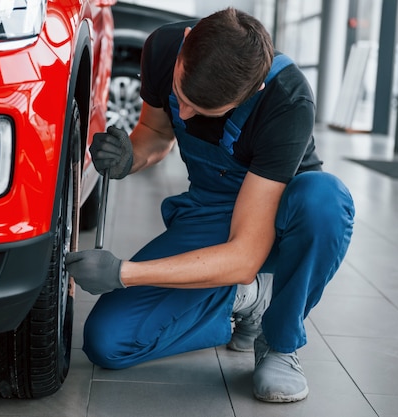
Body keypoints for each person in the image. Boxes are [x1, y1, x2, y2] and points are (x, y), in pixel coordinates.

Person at [66, 7, 355, 403]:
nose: (184, 112)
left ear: (251, 93)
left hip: (284, 219)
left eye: (201, 110)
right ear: (186, 44)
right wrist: (129, 157)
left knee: (325, 200)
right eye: (181, 96)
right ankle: (246, 298)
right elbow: (155, 132)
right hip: (210, 210)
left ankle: (280, 341)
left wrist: (123, 273)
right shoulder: (164, 46)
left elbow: (244, 253)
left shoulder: (287, 99)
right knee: (107, 342)